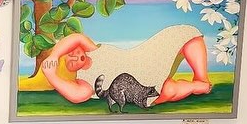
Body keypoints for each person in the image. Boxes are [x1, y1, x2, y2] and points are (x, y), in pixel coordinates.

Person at [41, 27, 212, 107]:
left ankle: (201, 77)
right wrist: (52, 76)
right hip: (137, 86)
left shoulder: (92, 49)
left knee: (187, 34)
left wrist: (55, 55)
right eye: (71, 61)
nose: (75, 56)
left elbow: (76, 38)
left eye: (71, 52)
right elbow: (78, 95)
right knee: (167, 90)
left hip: (143, 57)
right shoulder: (85, 82)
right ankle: (196, 86)